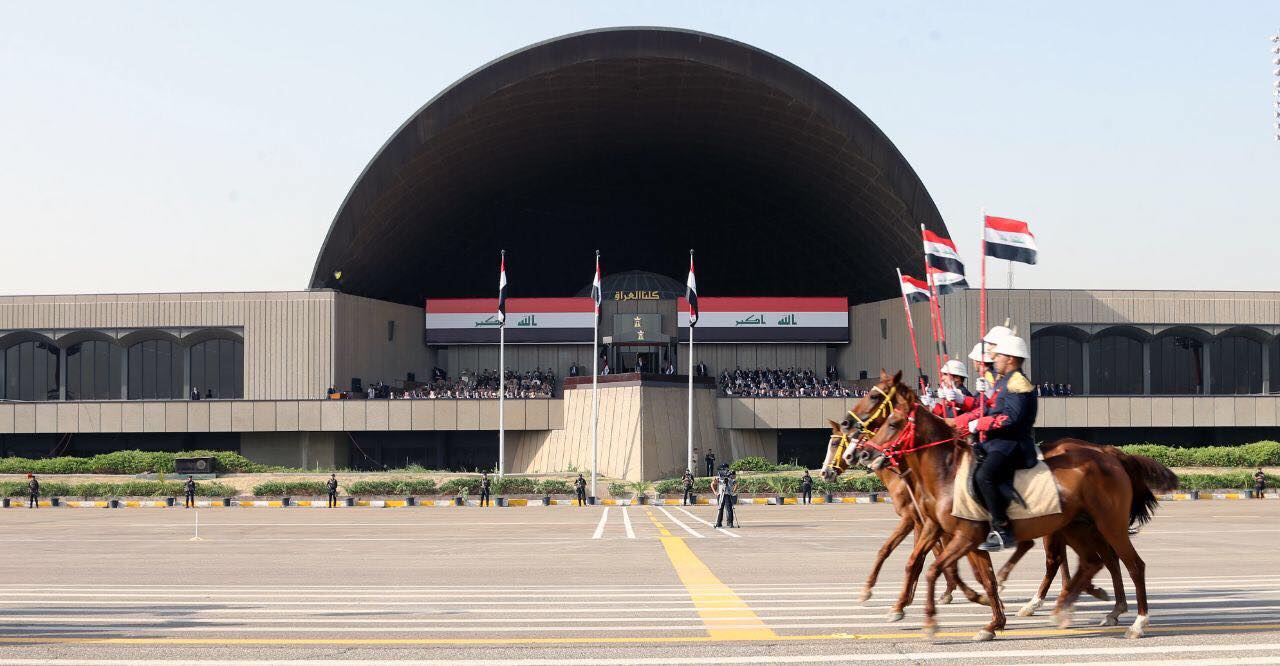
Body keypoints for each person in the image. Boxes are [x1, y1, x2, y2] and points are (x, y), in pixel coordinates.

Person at [972, 335, 1039, 552]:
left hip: (1013, 443)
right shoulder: (1003, 381)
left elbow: (1011, 418)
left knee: (985, 476)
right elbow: (991, 408)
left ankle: (1003, 530)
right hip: (997, 442)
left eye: (999, 355)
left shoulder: (1017, 381)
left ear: (1010, 358)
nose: (994, 358)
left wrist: (980, 423)